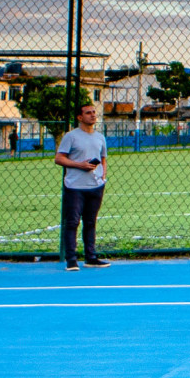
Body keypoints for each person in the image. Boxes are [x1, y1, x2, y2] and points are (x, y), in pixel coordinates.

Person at [54, 103, 109, 271]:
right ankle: (71, 259)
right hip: (76, 187)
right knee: (72, 222)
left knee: (90, 222)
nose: (92, 115)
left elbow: (103, 158)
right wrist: (79, 165)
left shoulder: (100, 137)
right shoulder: (71, 137)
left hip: (95, 186)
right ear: (80, 117)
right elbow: (59, 158)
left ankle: (90, 257)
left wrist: (103, 174)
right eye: (88, 113)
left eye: (94, 112)